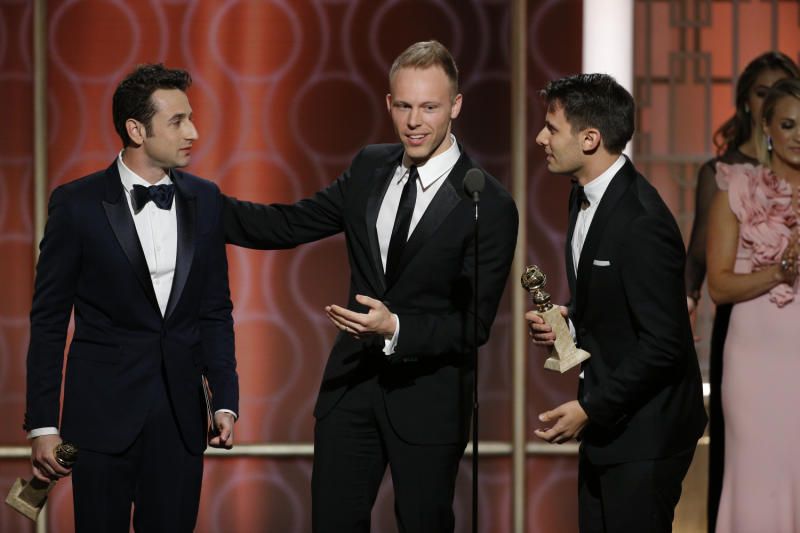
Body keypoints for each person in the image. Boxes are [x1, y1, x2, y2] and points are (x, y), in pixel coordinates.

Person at [222, 40, 518, 532]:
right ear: (388, 104)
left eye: (429, 107)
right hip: (351, 388)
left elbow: (473, 325)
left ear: (456, 106)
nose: (414, 121)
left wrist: (395, 328)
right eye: (403, 106)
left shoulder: (485, 201)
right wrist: (196, 202)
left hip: (428, 399)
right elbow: (288, 223)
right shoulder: (369, 167)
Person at [24, 64, 239, 532]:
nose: (193, 132)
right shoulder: (76, 204)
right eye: (177, 121)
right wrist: (43, 424)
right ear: (136, 130)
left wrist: (225, 399)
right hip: (100, 419)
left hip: (181, 420)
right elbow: (49, 320)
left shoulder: (205, 200)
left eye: (191, 118)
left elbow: (215, 310)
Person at [526, 73, 707, 533]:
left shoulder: (642, 222)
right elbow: (613, 302)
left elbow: (665, 345)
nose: (540, 138)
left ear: (590, 139)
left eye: (551, 128)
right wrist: (568, 322)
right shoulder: (582, 196)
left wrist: (590, 409)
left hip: (647, 431)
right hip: (610, 426)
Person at [681, 52, 799, 531]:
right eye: (788, 124)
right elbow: (718, 281)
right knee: (755, 479)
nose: (798, 135)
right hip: (754, 356)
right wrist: (780, 272)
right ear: (766, 123)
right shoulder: (735, 185)